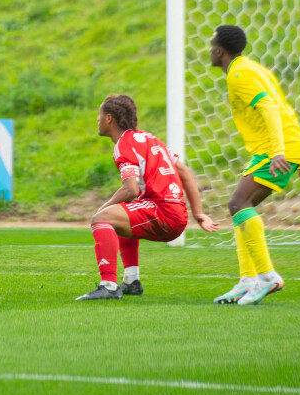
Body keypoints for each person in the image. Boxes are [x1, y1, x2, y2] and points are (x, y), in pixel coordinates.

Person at [209, 25, 300, 306]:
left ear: (220, 50)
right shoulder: (254, 68)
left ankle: (267, 277)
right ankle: (248, 280)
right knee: (240, 208)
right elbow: (285, 109)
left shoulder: (238, 74)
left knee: (239, 203)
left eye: (212, 44)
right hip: (275, 148)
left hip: (273, 150)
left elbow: (271, 108)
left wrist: (279, 152)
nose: (209, 49)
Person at [77, 94, 217, 300]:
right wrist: (199, 213)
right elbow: (185, 172)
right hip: (178, 214)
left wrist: (102, 210)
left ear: (109, 119)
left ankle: (108, 286)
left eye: (100, 114)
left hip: (162, 211)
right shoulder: (150, 139)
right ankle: (131, 281)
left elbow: (131, 189)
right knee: (120, 214)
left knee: (102, 219)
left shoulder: (124, 145)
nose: (97, 119)